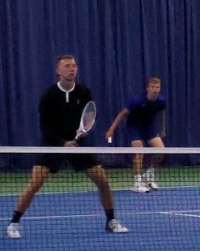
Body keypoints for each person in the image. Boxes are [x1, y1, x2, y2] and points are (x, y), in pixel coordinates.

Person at [7, 55, 128, 239]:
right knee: (35, 183)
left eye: (73, 66)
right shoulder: (49, 96)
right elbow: (45, 127)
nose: (71, 69)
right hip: (53, 143)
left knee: (103, 181)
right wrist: (62, 143)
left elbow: (89, 116)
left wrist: (84, 131)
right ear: (58, 71)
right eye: (67, 66)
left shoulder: (83, 92)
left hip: (77, 143)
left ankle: (111, 221)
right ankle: (13, 224)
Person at [106, 76, 167, 192]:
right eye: (153, 87)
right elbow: (122, 113)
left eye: (157, 87)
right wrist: (111, 129)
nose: (155, 89)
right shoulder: (137, 101)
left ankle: (149, 174)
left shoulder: (161, 101)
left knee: (161, 150)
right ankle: (137, 182)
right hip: (134, 127)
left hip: (149, 128)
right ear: (147, 88)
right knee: (139, 151)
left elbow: (162, 113)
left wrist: (163, 129)